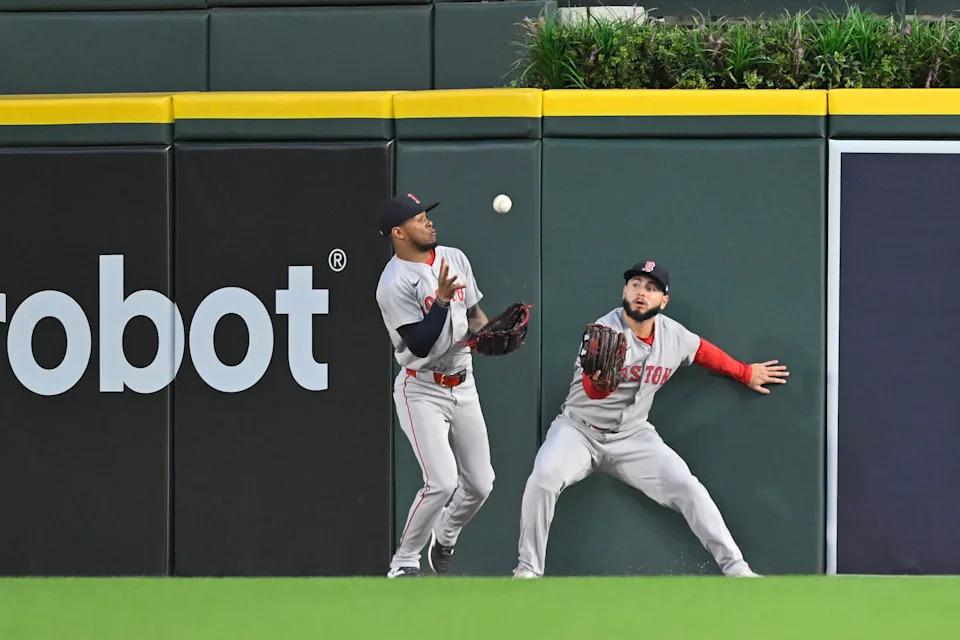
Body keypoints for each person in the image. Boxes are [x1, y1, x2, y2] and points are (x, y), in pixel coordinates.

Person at [512, 260, 789, 579]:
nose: (641, 292)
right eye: (635, 284)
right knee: (544, 477)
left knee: (688, 487)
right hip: (578, 431)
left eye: (651, 287)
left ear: (663, 300)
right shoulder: (602, 333)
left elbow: (703, 352)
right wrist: (601, 385)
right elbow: (592, 392)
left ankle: (736, 568)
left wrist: (744, 372)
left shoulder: (675, 336)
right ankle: (528, 569)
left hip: (633, 437)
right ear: (625, 290)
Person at [375, 193, 496, 578]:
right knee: (441, 482)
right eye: (418, 218)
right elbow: (420, 344)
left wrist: (490, 333)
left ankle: (445, 533)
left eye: (427, 215)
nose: (428, 222)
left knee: (481, 484)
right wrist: (441, 302)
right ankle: (404, 561)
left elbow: (475, 313)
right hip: (421, 389)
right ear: (398, 232)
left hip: (464, 383)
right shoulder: (392, 283)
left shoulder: (455, 257)